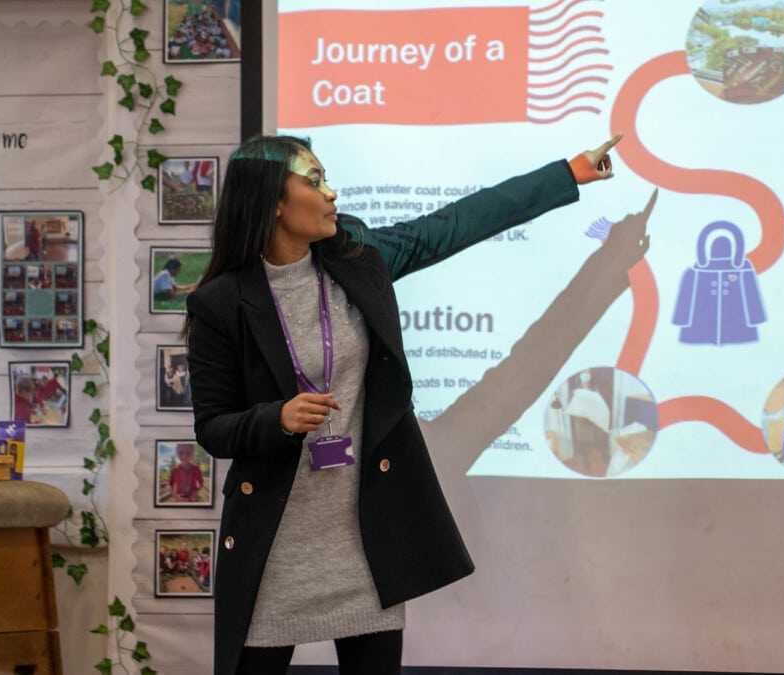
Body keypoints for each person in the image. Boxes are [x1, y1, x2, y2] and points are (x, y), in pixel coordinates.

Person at [184, 132, 619, 675]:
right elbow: (214, 426)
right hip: (276, 548)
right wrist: (276, 419)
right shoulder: (221, 303)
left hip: (366, 539)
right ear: (273, 200)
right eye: (314, 182)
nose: (332, 194)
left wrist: (566, 174)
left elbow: (452, 225)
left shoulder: (357, 260)